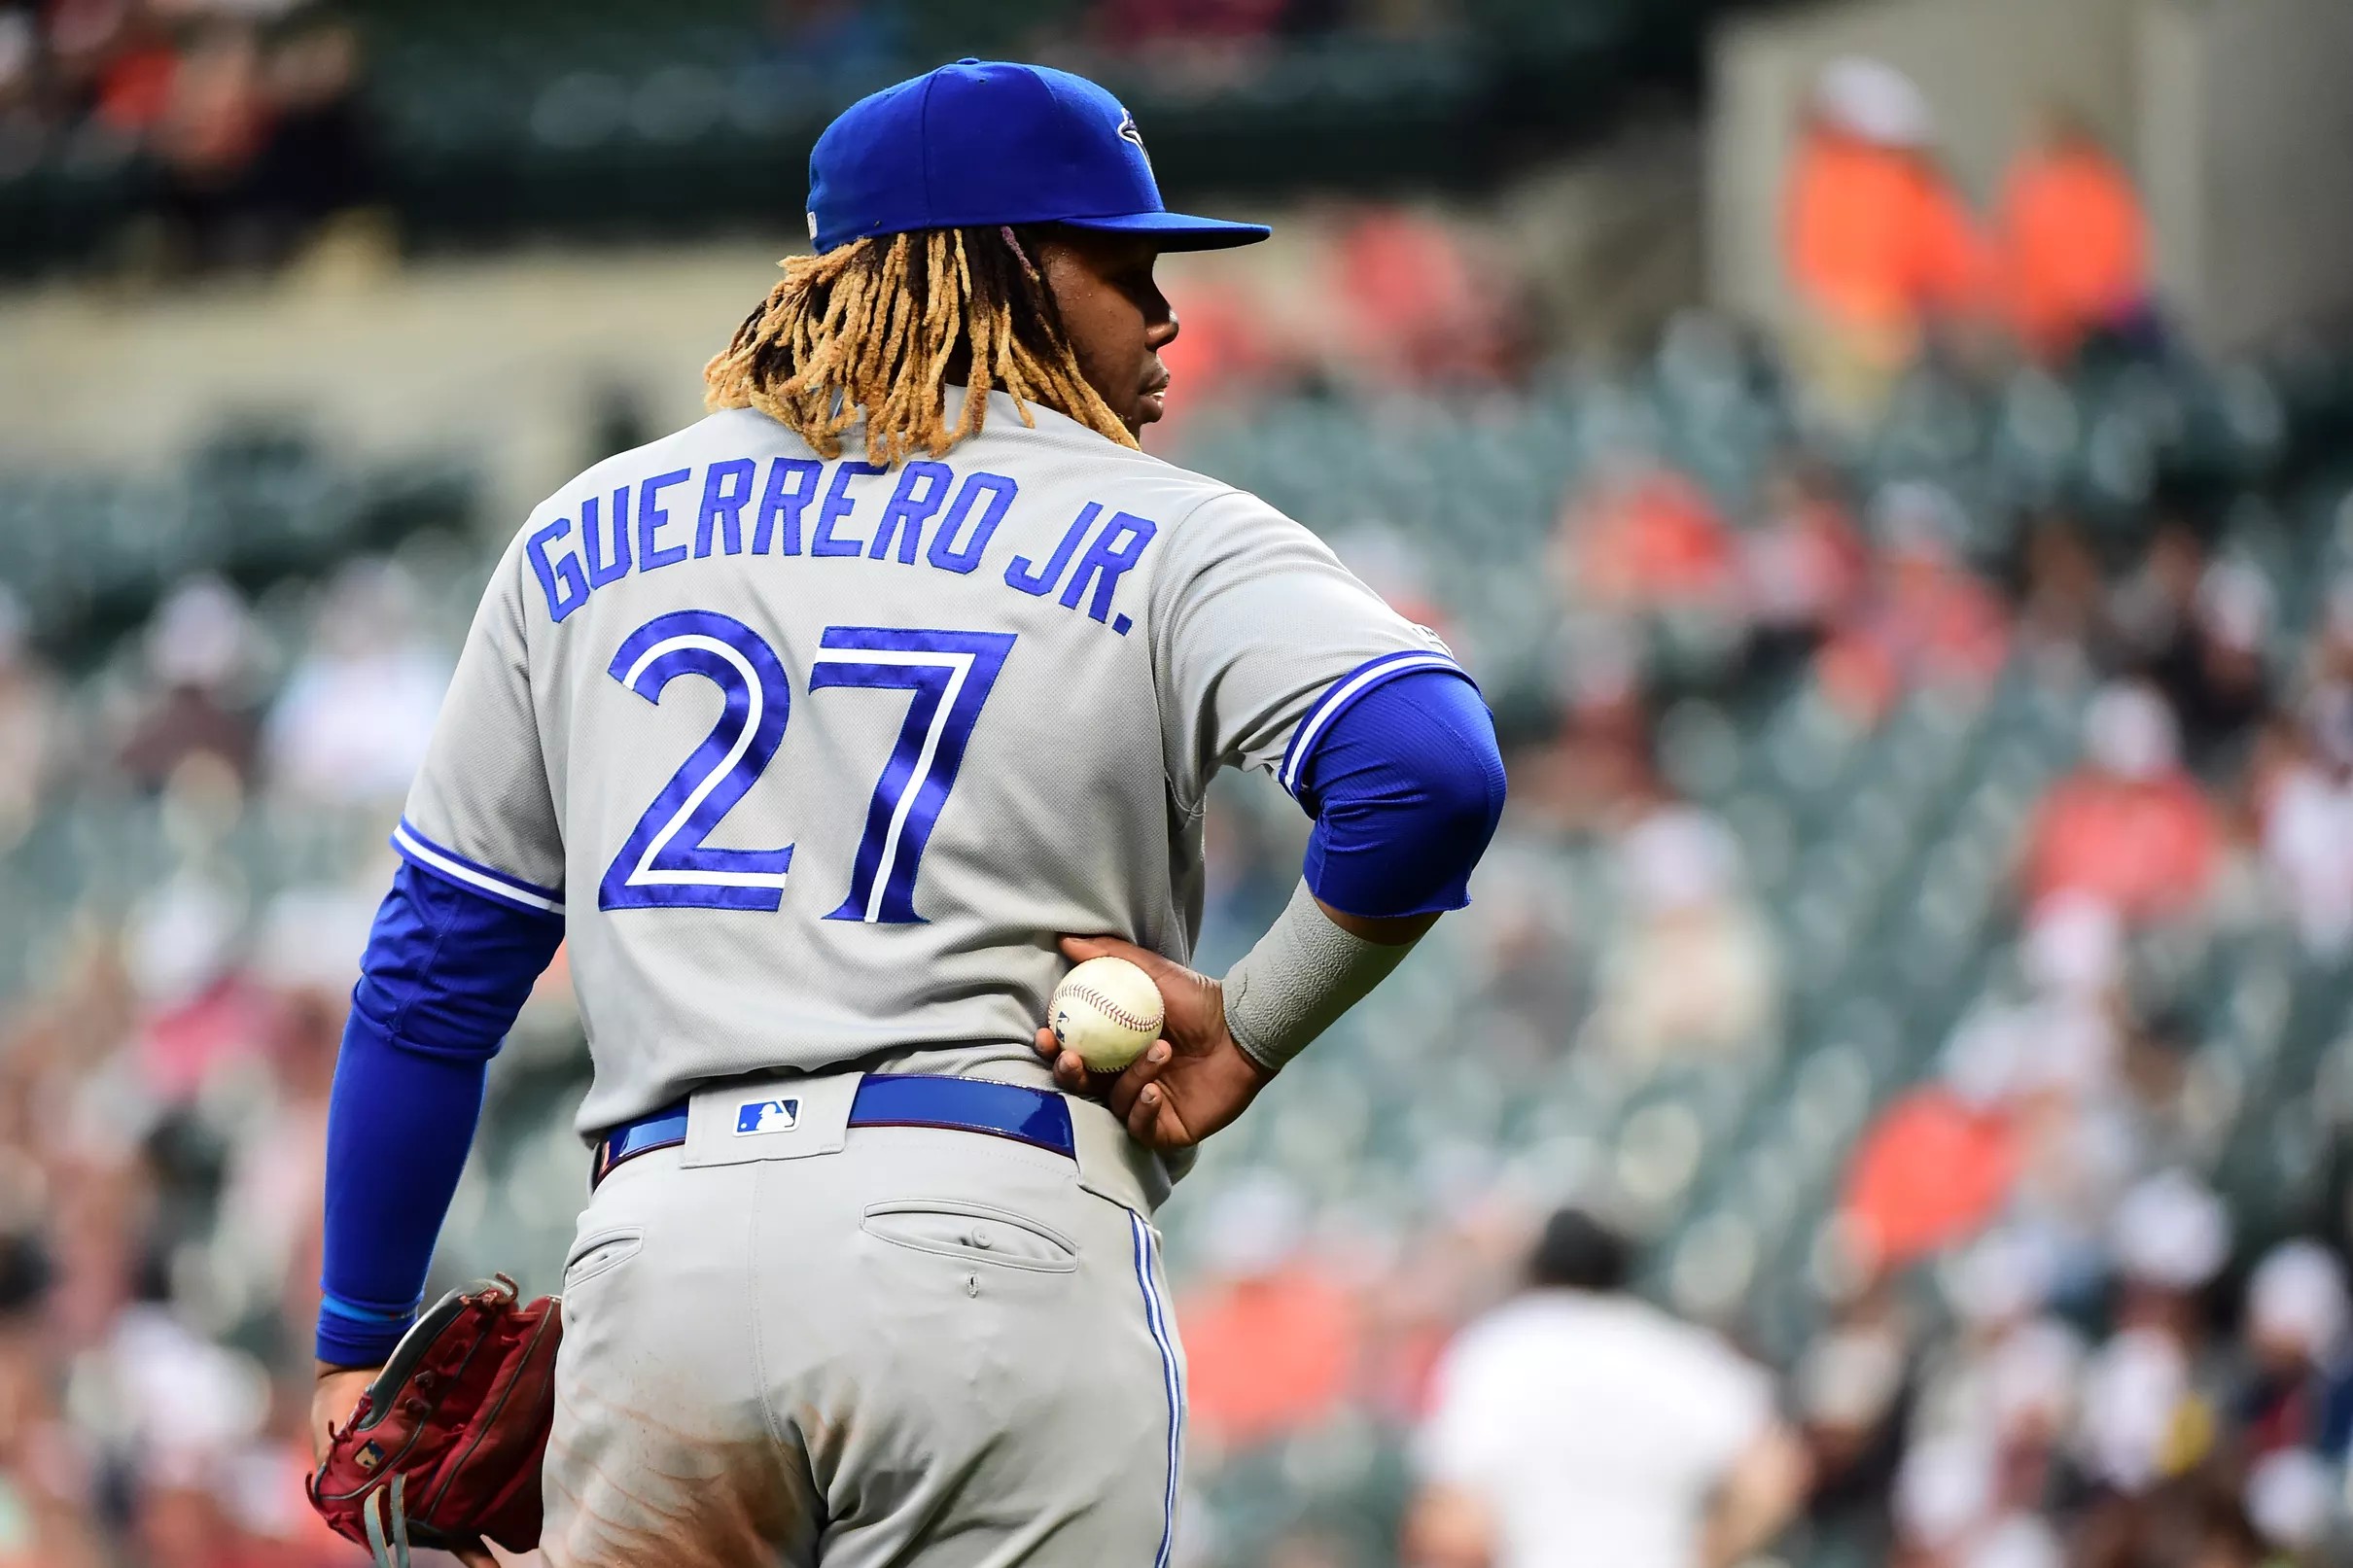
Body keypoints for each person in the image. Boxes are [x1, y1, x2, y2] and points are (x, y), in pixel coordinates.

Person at [305, 57, 1506, 1567]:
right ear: (1000, 263)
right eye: (1123, 263)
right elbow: (1430, 769)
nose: (1167, 312)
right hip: (990, 1246)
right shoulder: (1163, 527)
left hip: (661, 1265)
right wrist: (1256, 1025)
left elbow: (432, 977)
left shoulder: (584, 533)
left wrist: (357, 1337)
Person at [1407, 1209, 1809, 1568]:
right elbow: (1772, 1474)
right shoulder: (1667, 1348)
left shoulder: (1496, 1349)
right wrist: (1710, 1555)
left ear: (1537, 1268)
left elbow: (1454, 1519)